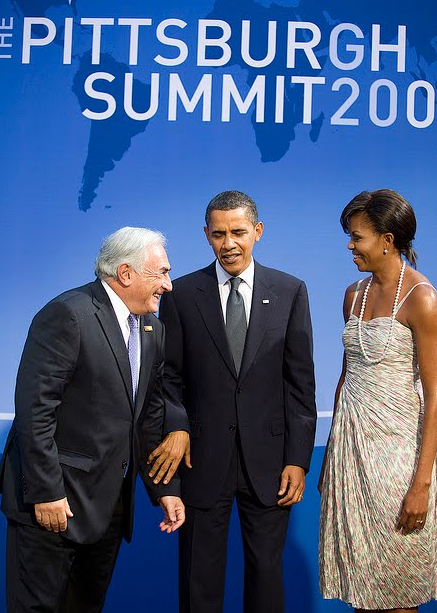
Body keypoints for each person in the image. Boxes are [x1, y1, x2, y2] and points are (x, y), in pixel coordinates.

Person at [0, 226, 185, 613]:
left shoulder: (153, 329)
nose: (168, 285)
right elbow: (36, 411)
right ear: (126, 273)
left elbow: (147, 418)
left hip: (108, 508)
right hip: (54, 504)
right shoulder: (68, 314)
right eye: (162, 273)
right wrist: (46, 492)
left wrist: (164, 487)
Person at [150, 190, 316, 613]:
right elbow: (168, 377)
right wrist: (178, 426)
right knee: (199, 580)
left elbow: (300, 384)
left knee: (266, 577)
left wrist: (298, 459)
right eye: (218, 234)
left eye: (238, 232)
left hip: (270, 464)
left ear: (257, 231)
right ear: (206, 235)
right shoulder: (182, 294)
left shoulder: (290, 291)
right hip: (202, 460)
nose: (229, 244)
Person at [318, 189, 437, 612]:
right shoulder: (352, 295)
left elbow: (436, 397)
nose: (350, 246)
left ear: (387, 240)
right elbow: (345, 377)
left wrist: (422, 484)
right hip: (352, 452)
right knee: (361, 588)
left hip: (401, 458)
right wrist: (330, 456)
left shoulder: (423, 298)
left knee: (398, 591)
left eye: (357, 237)